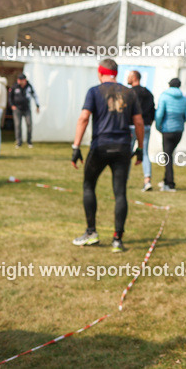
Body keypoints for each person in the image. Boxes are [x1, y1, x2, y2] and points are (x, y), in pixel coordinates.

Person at [71, 59, 143, 253]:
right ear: (116, 73)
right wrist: (141, 148)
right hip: (122, 148)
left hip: (101, 146)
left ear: (100, 72)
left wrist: (76, 146)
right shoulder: (129, 93)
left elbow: (84, 118)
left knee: (89, 185)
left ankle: (91, 232)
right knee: (120, 192)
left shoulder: (94, 91)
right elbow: (138, 122)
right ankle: (117, 239)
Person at [154, 77, 186, 192]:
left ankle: (170, 183)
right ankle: (165, 180)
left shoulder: (164, 96)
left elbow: (159, 114)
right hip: (179, 130)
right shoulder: (184, 99)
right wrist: (179, 122)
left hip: (167, 130)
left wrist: (158, 126)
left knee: (167, 156)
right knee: (169, 155)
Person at [126, 70, 156, 191]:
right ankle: (147, 180)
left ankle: (123, 179)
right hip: (146, 126)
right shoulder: (148, 93)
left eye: (129, 76)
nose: (127, 78)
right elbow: (153, 111)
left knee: (127, 153)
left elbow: (127, 111)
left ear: (134, 78)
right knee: (144, 153)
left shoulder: (130, 93)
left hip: (133, 126)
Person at [8, 73, 40, 148]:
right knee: (17, 125)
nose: (19, 81)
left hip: (26, 108)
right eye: (18, 79)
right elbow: (10, 97)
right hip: (17, 109)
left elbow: (35, 95)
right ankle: (19, 142)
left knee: (29, 124)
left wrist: (37, 105)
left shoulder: (29, 87)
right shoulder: (15, 86)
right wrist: (12, 105)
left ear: (24, 80)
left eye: (21, 80)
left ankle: (29, 141)